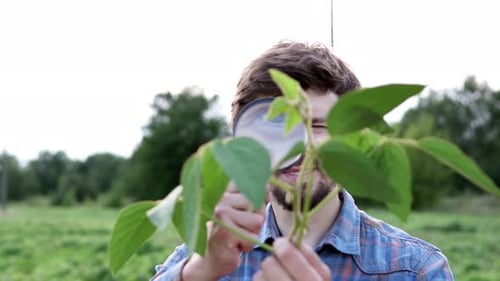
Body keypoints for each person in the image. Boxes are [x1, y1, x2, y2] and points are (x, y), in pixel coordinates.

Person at [151, 41, 454, 281]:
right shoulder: (208, 253)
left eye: (318, 126)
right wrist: (199, 273)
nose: (301, 144)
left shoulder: (414, 269)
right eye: (276, 125)